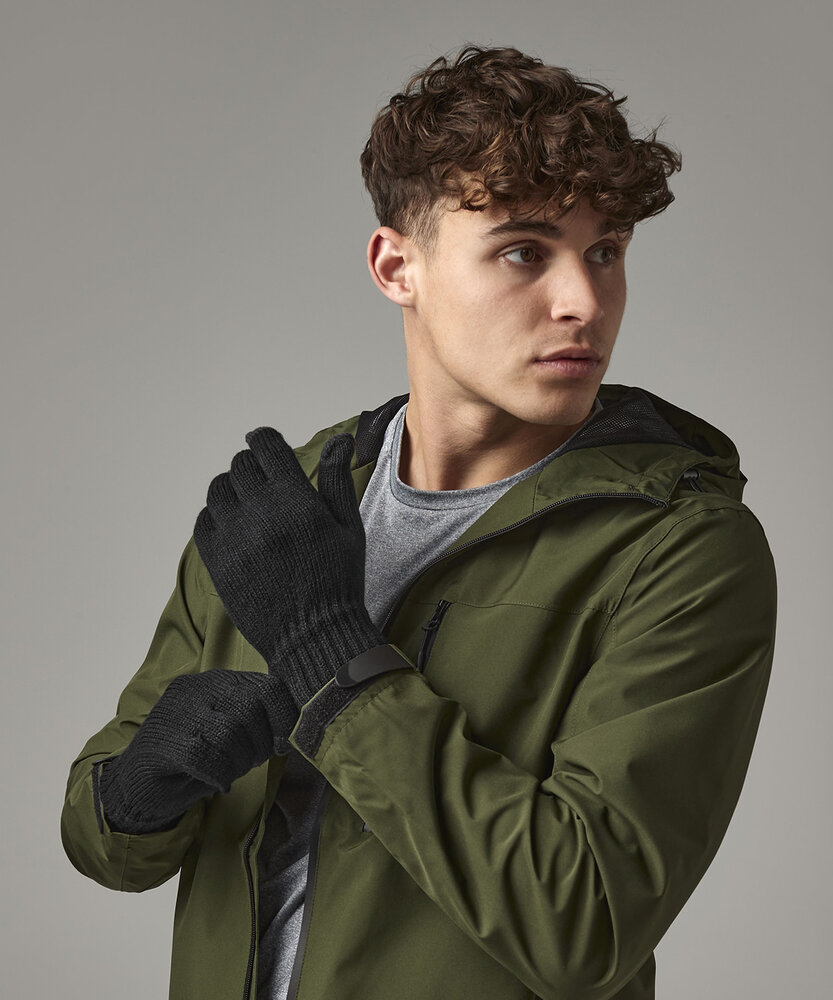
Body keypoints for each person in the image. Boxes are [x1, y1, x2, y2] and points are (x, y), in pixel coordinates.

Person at [61, 43, 778, 1000]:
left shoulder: (678, 548)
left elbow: (584, 924)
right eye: (524, 251)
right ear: (397, 266)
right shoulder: (285, 507)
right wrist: (142, 786)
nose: (584, 301)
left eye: (604, 252)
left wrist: (335, 662)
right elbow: (105, 844)